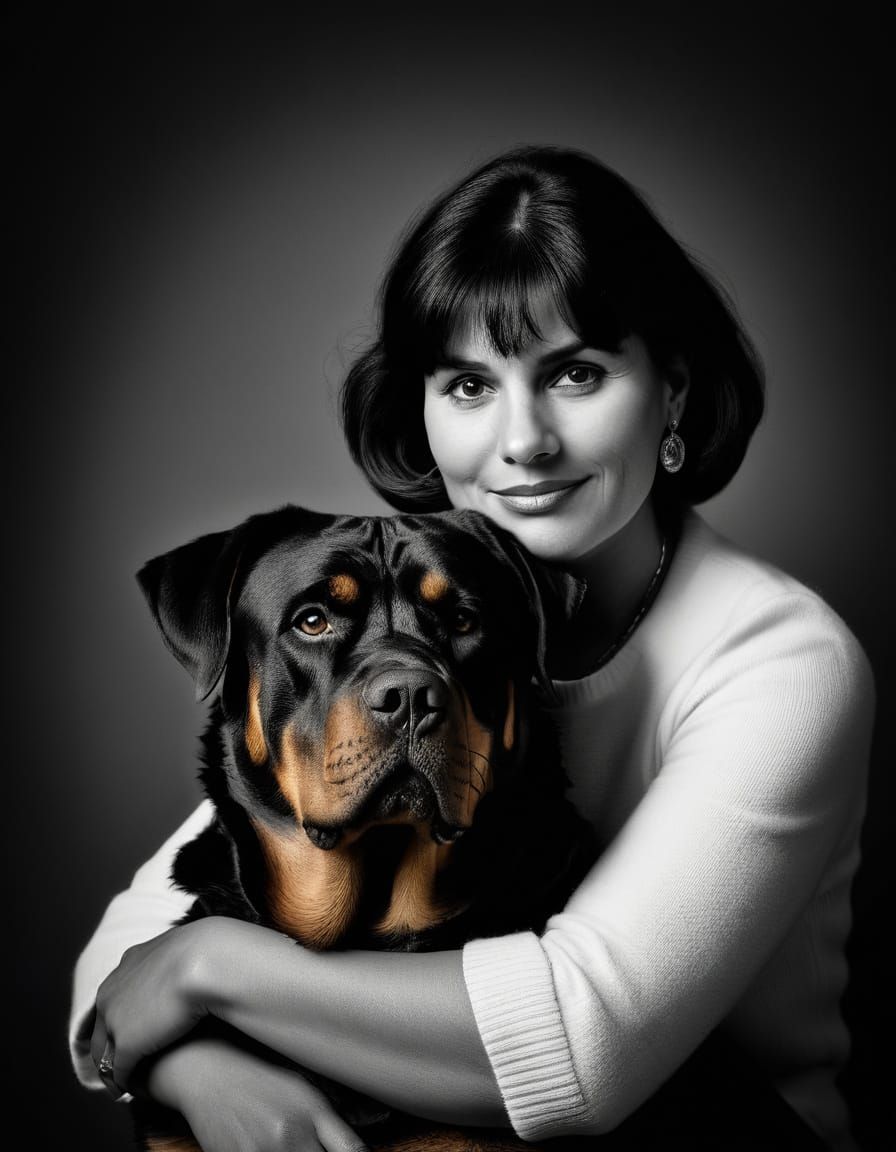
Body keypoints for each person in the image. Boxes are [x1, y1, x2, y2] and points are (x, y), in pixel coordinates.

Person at [70, 145, 874, 1151]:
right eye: (466, 386)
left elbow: (580, 1048)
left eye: (575, 374)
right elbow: (128, 951)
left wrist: (205, 971)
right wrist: (199, 1066)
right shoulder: (418, 611)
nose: (522, 441)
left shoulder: (781, 664)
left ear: (671, 391)